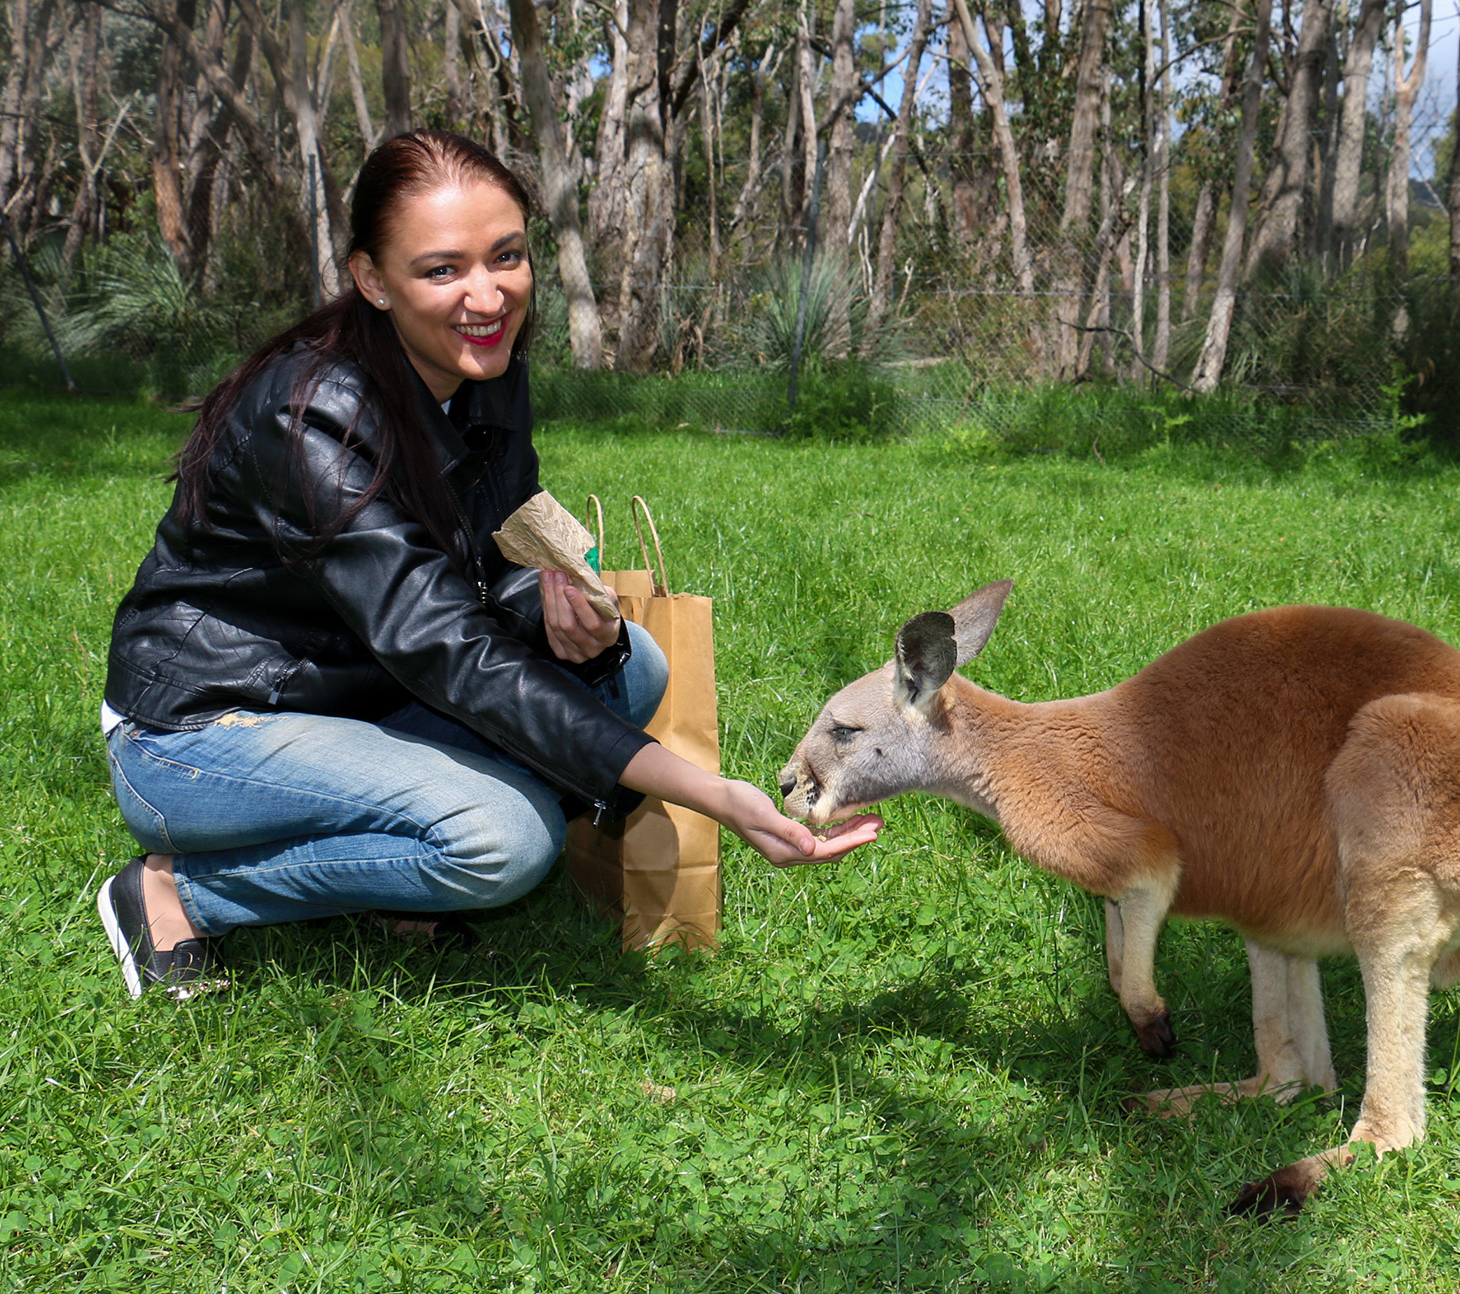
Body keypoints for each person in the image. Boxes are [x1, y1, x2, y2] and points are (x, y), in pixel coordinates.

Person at [96, 130, 877, 998]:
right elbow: (447, 648)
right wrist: (712, 793)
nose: (488, 295)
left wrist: (559, 614)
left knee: (633, 669)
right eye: (442, 269)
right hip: (207, 731)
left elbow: (501, 547)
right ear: (372, 280)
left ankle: (392, 872)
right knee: (504, 841)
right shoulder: (309, 415)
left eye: (506, 256)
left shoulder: (485, 367)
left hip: (366, 693)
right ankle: (177, 893)